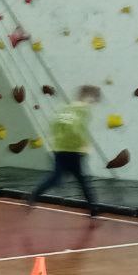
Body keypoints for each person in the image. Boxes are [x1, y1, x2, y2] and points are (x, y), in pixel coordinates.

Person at [29, 85, 101, 214]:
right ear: (88, 97)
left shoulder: (65, 108)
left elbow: (54, 125)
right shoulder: (83, 110)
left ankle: (35, 194)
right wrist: (83, 145)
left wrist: (55, 142)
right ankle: (93, 208)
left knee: (58, 178)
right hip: (73, 150)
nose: (94, 102)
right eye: (93, 99)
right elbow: (77, 128)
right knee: (82, 180)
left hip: (60, 149)